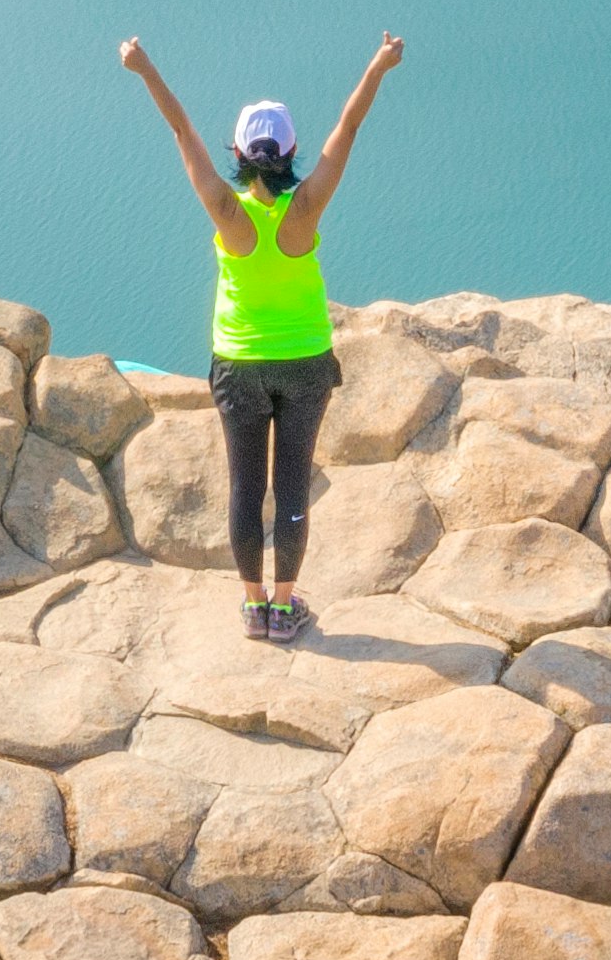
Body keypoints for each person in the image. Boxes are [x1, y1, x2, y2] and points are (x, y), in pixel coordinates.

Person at [119, 32, 401, 642]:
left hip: (240, 364)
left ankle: (252, 608)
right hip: (303, 362)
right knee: (292, 484)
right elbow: (348, 129)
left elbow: (181, 130)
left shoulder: (225, 208)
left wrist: (145, 69)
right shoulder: (307, 207)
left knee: (247, 487)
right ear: (293, 150)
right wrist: (376, 65)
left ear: (240, 152)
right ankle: (284, 606)